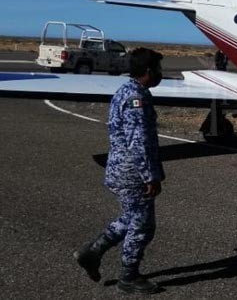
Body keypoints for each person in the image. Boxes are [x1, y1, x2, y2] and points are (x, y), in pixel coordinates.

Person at [74, 48, 165, 294]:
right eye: (158, 69)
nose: (160, 74)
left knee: (129, 219)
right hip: (133, 174)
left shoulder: (125, 90)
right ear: (148, 71)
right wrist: (150, 176)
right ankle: (129, 277)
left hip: (119, 169)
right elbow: (139, 141)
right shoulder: (137, 98)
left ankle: (92, 253)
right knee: (142, 226)